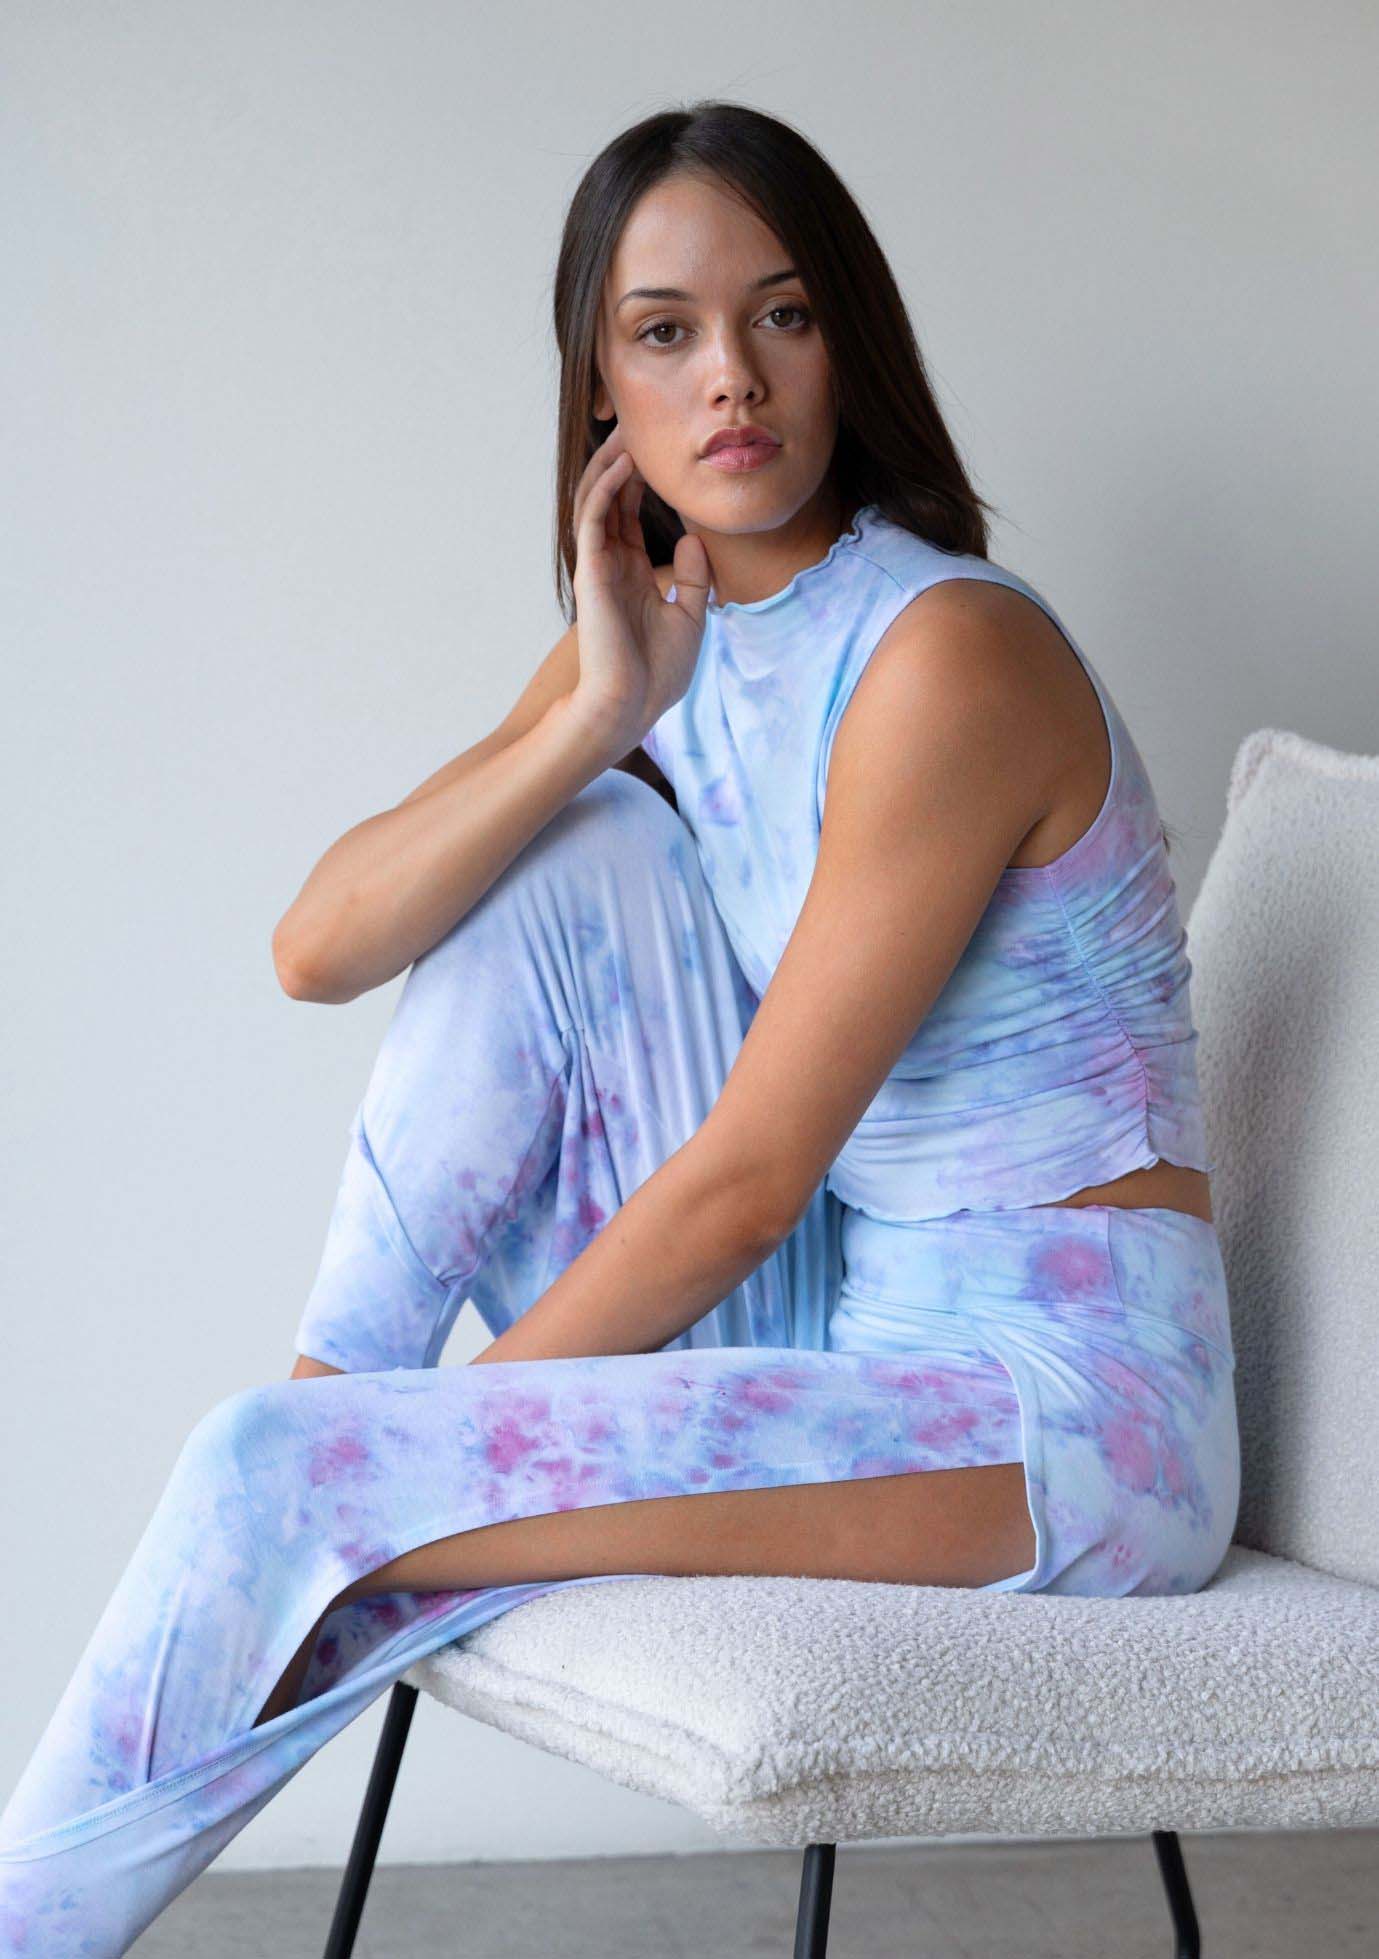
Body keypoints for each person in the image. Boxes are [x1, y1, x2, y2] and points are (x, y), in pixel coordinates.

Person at [0, 100, 1240, 1954]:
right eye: (666, 332)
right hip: (851, 1329)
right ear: (603, 390)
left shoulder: (947, 656)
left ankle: (284, 1521)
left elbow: (748, 1184)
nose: (730, 375)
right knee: (568, 849)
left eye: (782, 315)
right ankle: (329, 1430)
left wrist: (418, 1457)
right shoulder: (672, 631)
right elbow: (316, 948)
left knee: (270, 1478)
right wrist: (595, 716)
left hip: (1066, 1418)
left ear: (848, 345)